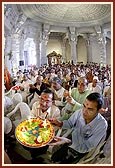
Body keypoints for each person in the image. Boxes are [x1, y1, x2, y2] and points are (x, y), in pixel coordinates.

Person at [49, 92, 108, 164]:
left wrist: (68, 141)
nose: (84, 111)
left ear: (99, 111)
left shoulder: (102, 125)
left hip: (82, 151)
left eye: (90, 109)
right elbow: (70, 123)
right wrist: (59, 123)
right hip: (71, 141)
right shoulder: (79, 112)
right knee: (54, 158)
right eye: (84, 106)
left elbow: (87, 146)